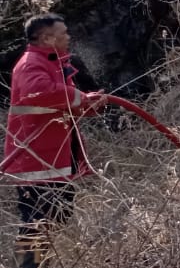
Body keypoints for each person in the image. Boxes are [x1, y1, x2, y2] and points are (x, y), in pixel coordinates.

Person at [3, 14, 106, 268]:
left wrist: (89, 103)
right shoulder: (31, 64)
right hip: (35, 162)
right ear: (47, 38)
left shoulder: (54, 63)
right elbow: (40, 94)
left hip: (54, 159)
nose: (68, 37)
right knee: (37, 225)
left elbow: (64, 104)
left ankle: (38, 264)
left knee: (55, 217)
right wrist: (80, 97)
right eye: (64, 33)